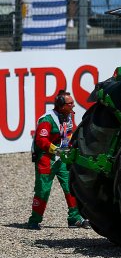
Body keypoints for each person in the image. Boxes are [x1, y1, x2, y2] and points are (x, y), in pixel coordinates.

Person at [26, 90, 90, 230]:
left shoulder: (67, 116)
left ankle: (74, 219)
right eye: (70, 103)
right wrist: (57, 150)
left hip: (62, 159)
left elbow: (68, 135)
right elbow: (40, 140)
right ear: (61, 106)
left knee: (70, 188)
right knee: (42, 190)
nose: (73, 105)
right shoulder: (47, 119)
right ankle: (34, 220)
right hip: (46, 159)